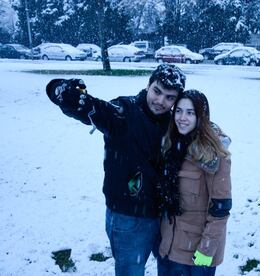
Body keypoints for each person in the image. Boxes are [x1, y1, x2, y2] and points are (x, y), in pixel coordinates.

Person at [45, 64, 186, 276]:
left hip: (165, 216)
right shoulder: (123, 112)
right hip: (129, 219)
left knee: (171, 269)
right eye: (157, 91)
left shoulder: (174, 122)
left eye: (169, 97)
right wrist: (63, 92)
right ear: (148, 85)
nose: (160, 101)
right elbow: (92, 109)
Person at [156, 89, 232, 276]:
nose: (182, 118)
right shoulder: (170, 146)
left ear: (201, 117)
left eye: (190, 113)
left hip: (198, 254)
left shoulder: (214, 154)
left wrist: (205, 252)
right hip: (168, 248)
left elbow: (220, 209)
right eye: (179, 111)